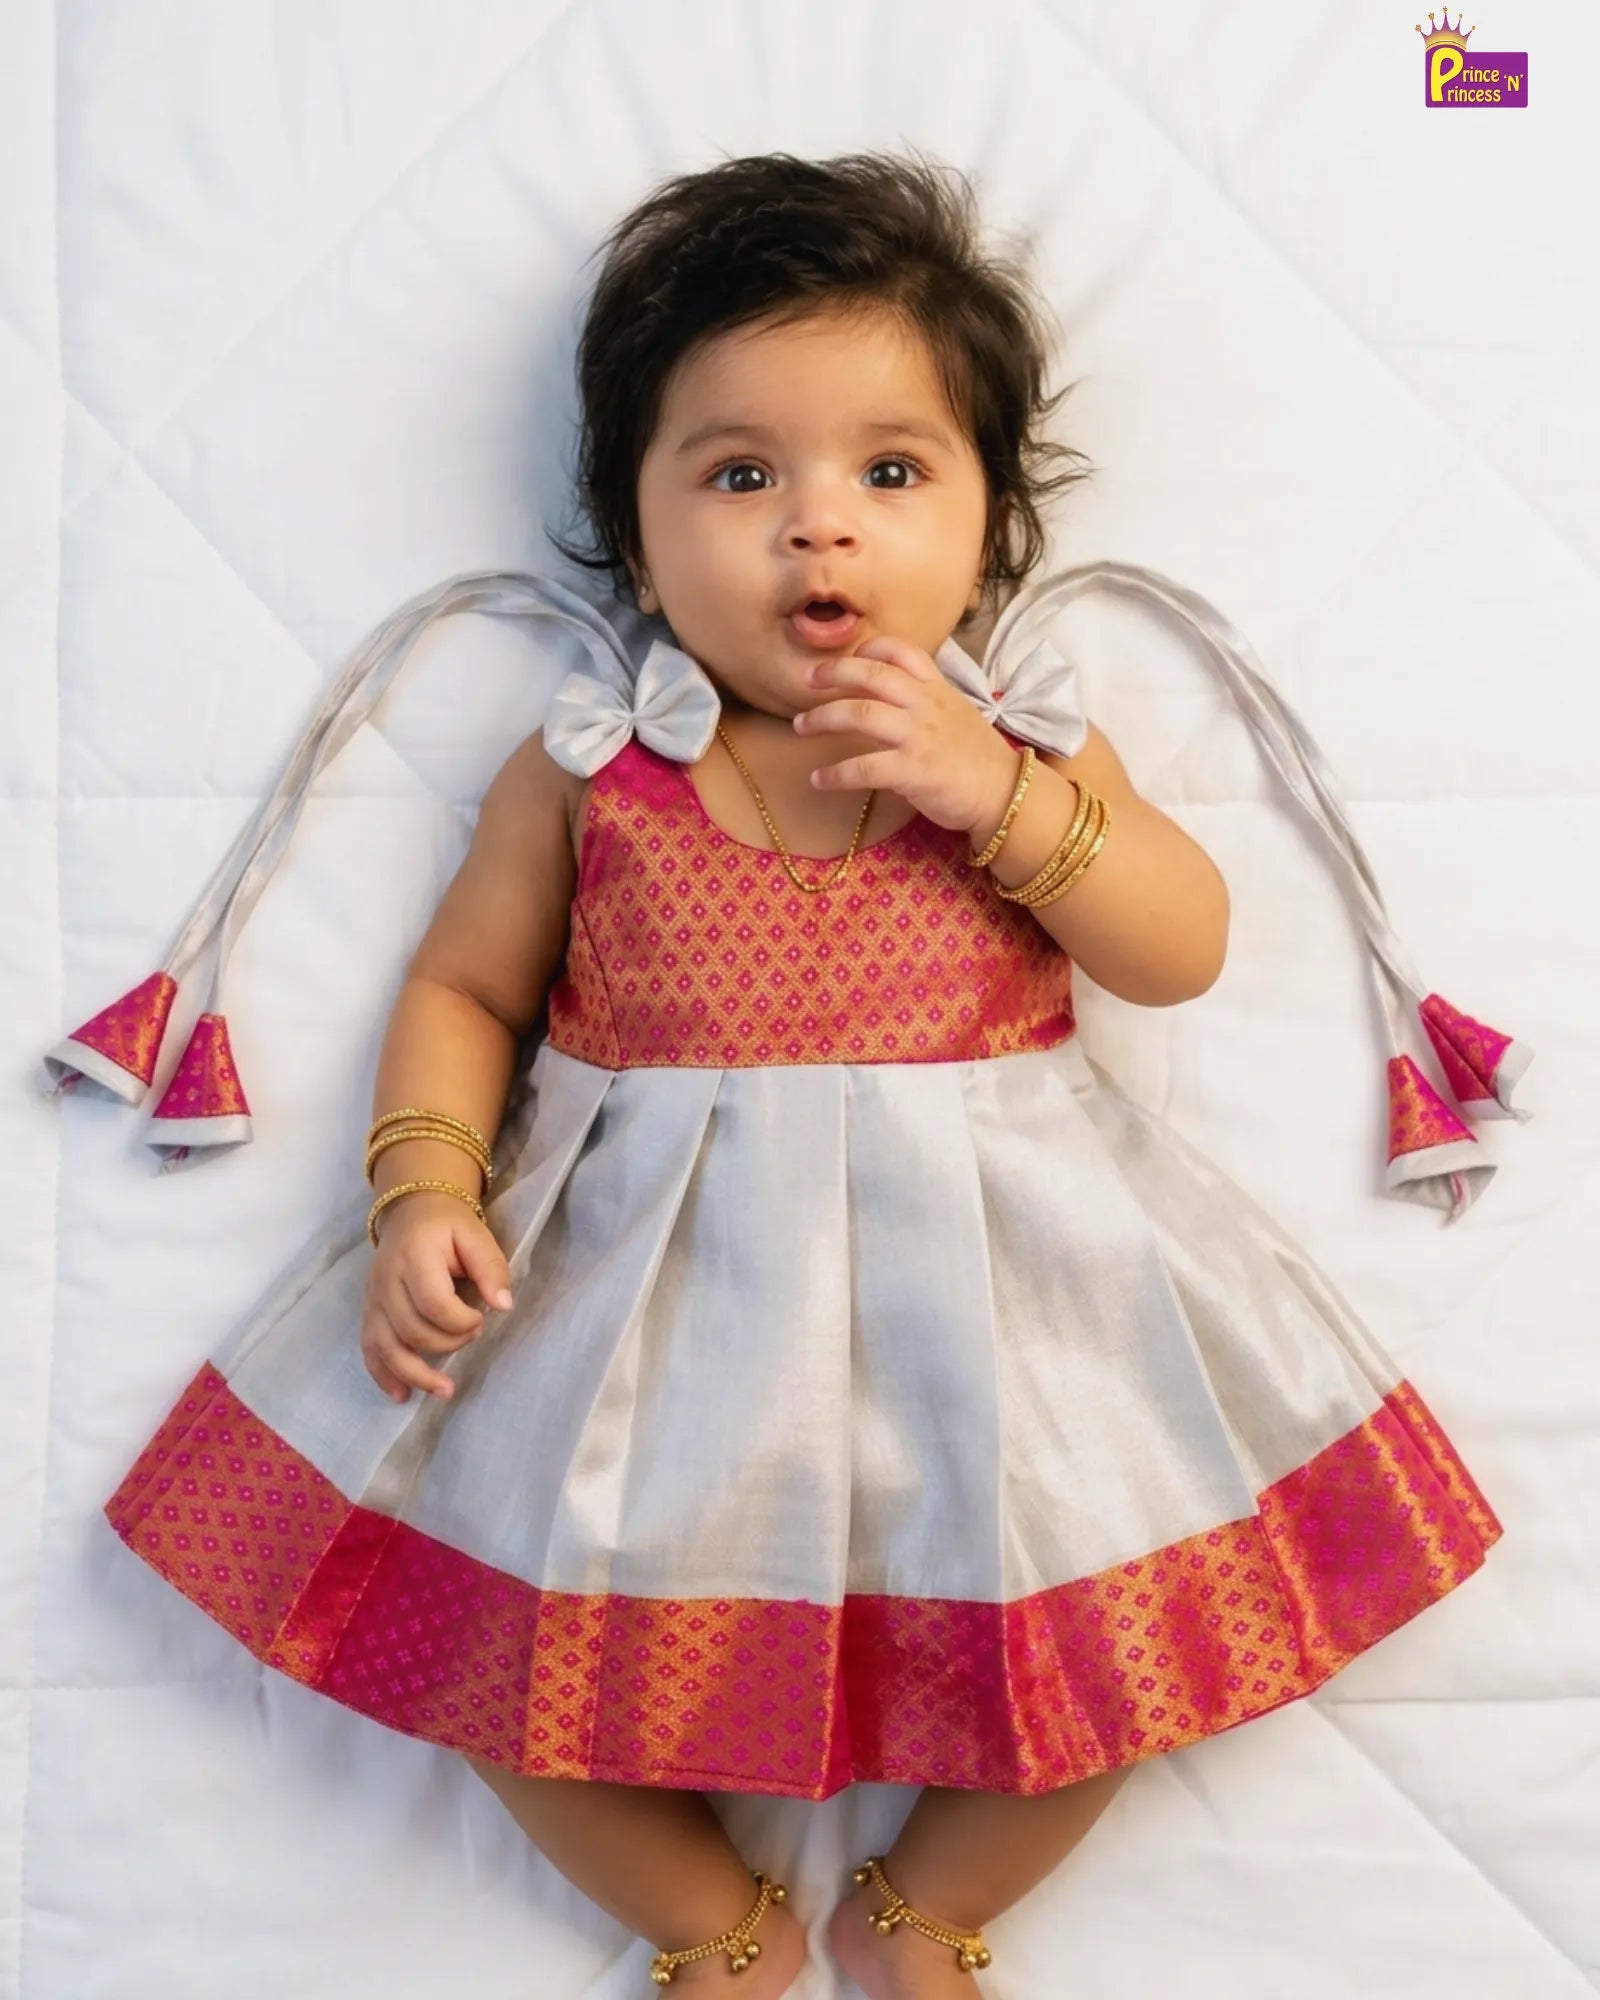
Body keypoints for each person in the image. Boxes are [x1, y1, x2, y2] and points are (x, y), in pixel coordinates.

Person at [57, 150, 1519, 1997]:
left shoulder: (1027, 737)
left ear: (991, 528)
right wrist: (423, 1182)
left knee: (1122, 1652)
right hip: (652, 1323)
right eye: (741, 475)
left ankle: (926, 1910)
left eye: (889, 474)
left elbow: (1180, 943)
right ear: (638, 530)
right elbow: (463, 986)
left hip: (1001, 1319)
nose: (817, 530)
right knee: (486, 1658)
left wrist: (1000, 800)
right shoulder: (592, 771)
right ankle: (710, 1919)